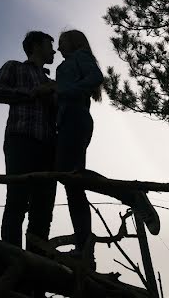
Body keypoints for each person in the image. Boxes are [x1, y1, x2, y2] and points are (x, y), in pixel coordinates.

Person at [0, 30, 58, 253]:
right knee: (16, 202)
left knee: (43, 211)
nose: (54, 50)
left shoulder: (51, 81)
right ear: (37, 46)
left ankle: (35, 272)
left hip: (48, 147)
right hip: (20, 140)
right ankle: (11, 259)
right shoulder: (14, 67)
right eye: (50, 45)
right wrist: (33, 92)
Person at [54, 29, 104, 263]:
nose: (58, 48)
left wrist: (61, 91)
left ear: (73, 43)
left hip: (76, 118)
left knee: (70, 176)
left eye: (61, 42)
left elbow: (96, 77)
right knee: (73, 186)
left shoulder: (80, 56)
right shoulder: (71, 62)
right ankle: (85, 249)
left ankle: (129, 193)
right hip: (70, 120)